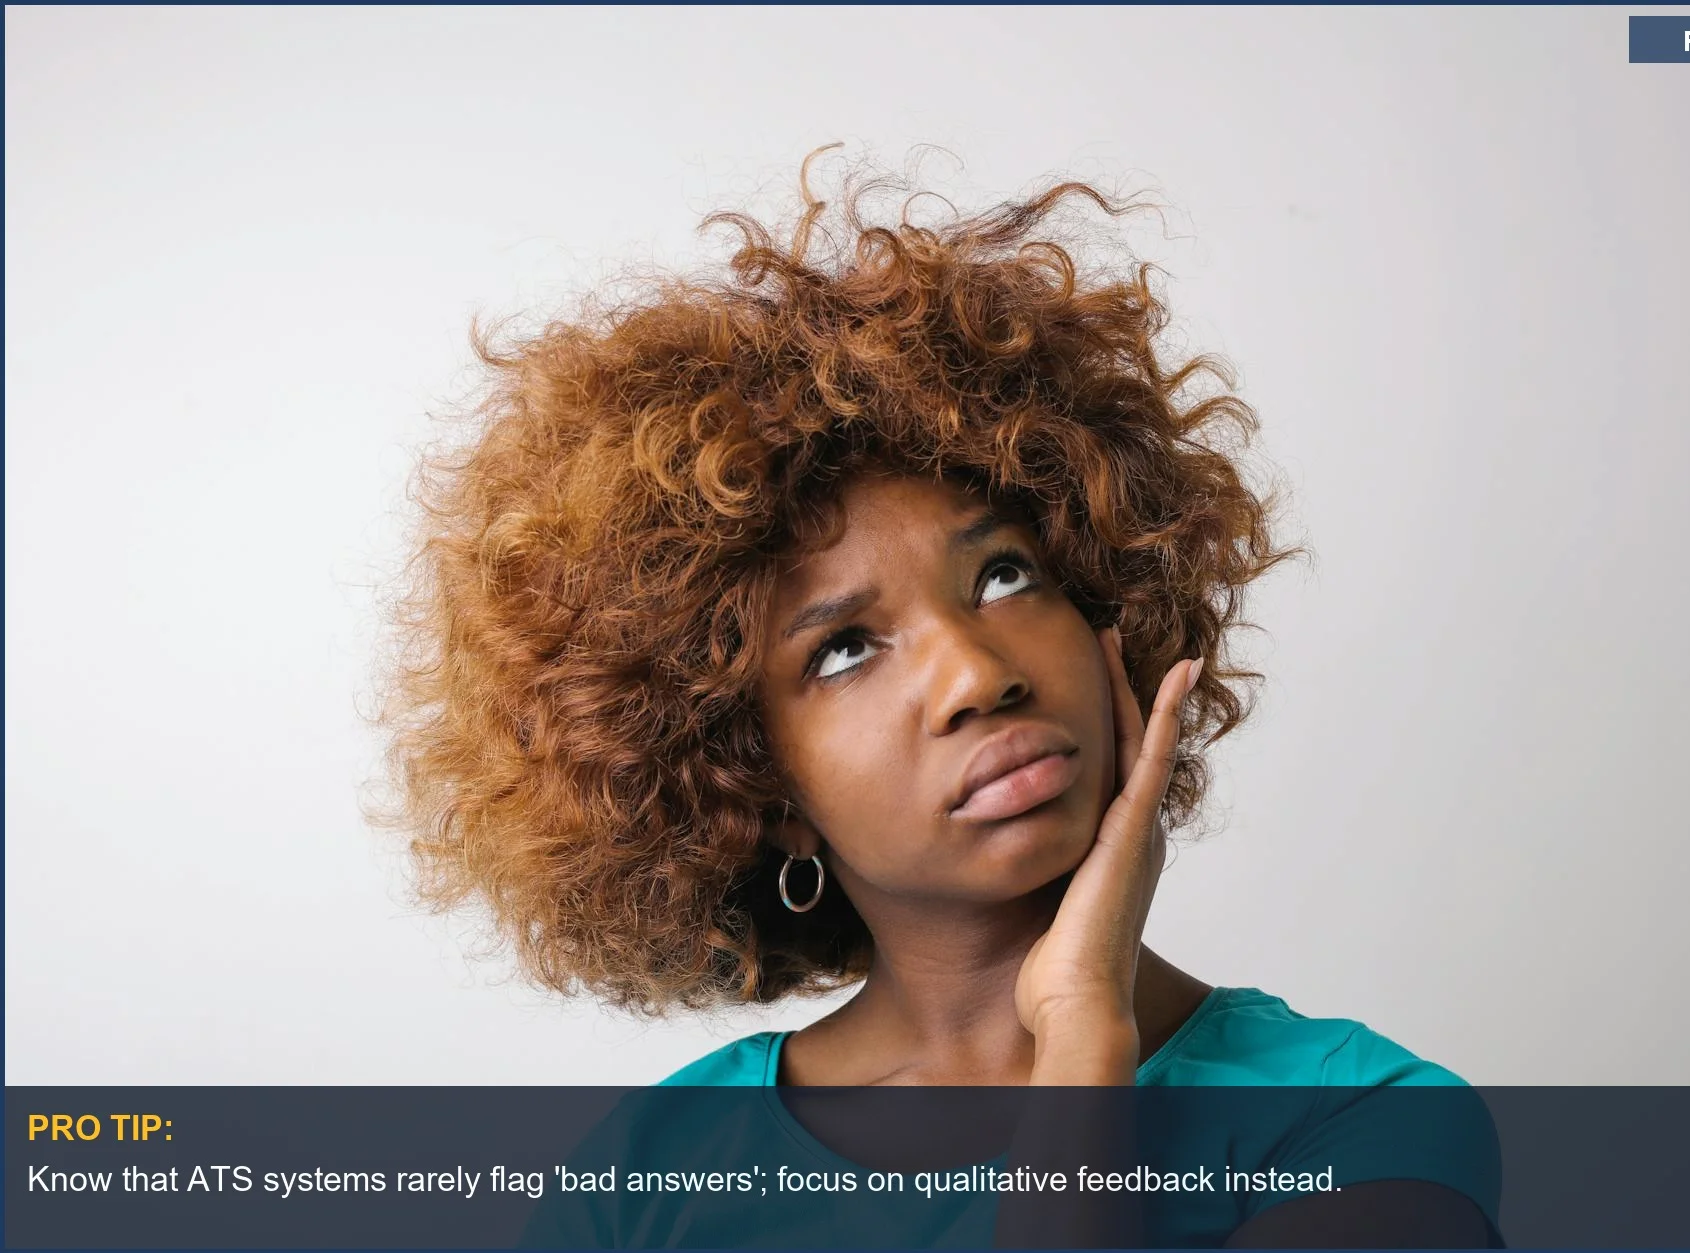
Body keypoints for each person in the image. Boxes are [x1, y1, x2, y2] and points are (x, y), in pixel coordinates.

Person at [371, 150, 1502, 1248]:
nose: (975, 671)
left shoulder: (1357, 1119)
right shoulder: (651, 1174)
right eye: (846, 648)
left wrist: (1080, 1027)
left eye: (1004, 574)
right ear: (755, 785)